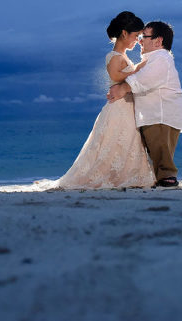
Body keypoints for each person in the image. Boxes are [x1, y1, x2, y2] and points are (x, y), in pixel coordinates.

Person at [53, 11, 156, 189]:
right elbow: (115, 75)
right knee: (115, 143)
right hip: (119, 107)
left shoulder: (123, 56)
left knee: (125, 142)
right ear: (124, 33)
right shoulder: (115, 56)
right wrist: (140, 68)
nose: (137, 40)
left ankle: (127, 174)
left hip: (127, 105)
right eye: (135, 35)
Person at [107, 21, 182, 187]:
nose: (140, 41)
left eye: (144, 37)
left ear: (158, 41)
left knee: (161, 147)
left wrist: (123, 88)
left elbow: (146, 79)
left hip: (161, 113)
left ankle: (167, 176)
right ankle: (161, 176)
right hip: (155, 113)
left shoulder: (161, 58)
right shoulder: (152, 59)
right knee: (156, 147)